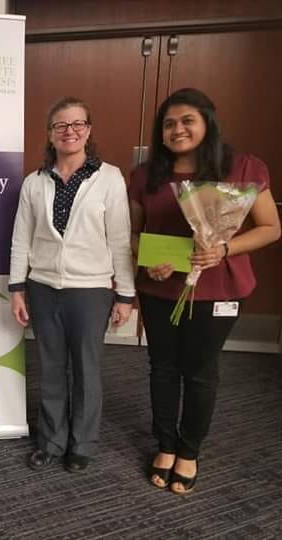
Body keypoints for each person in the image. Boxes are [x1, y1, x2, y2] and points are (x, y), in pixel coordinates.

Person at [129, 87, 281, 494]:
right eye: (169, 123)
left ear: (206, 124)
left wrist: (224, 248)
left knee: (200, 372)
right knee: (162, 368)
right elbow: (133, 233)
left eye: (187, 121)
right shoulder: (147, 175)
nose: (177, 129)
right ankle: (164, 443)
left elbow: (271, 228)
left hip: (220, 288)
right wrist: (148, 260)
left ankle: (189, 450)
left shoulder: (243, 167)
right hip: (160, 289)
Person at [9, 97, 135, 473]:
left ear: (89, 130)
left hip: (91, 290)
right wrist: (18, 288)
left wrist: (125, 294)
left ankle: (82, 443)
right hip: (43, 287)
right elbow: (21, 238)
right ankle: (50, 441)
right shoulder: (34, 182)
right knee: (50, 368)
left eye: (78, 124)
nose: (70, 132)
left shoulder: (109, 178)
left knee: (86, 368)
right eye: (61, 125)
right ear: (50, 134)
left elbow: (120, 240)